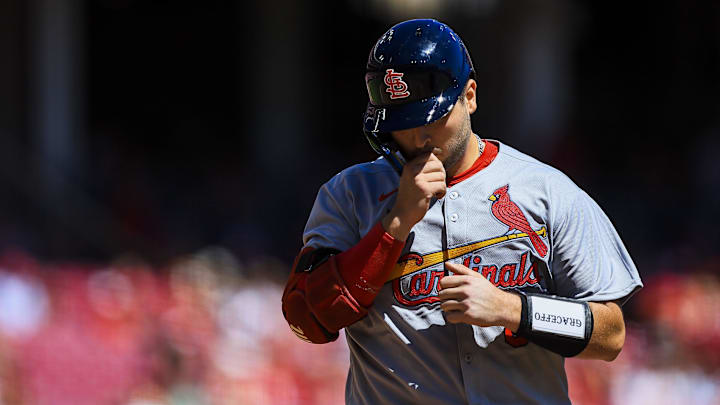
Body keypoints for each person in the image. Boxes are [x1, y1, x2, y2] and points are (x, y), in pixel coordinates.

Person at [281, 18, 643, 405]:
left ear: (470, 96)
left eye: (432, 118)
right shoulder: (350, 195)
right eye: (403, 124)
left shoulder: (547, 190)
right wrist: (395, 225)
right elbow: (307, 318)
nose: (418, 137)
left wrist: (511, 309)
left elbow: (610, 335)